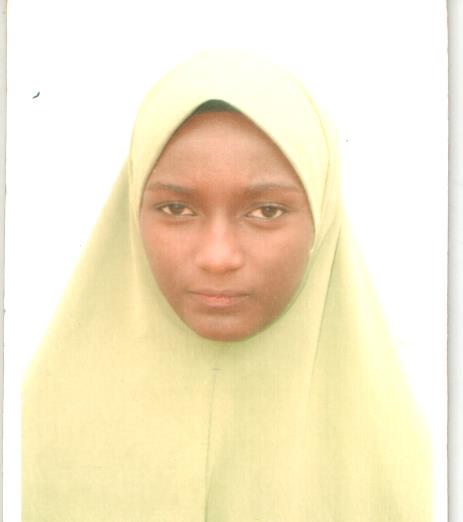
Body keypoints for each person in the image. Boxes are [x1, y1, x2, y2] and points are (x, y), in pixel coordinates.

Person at [22, 50, 431, 521]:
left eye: (266, 211)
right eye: (177, 209)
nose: (218, 257)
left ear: (322, 216)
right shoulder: (36, 425)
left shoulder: (401, 459)